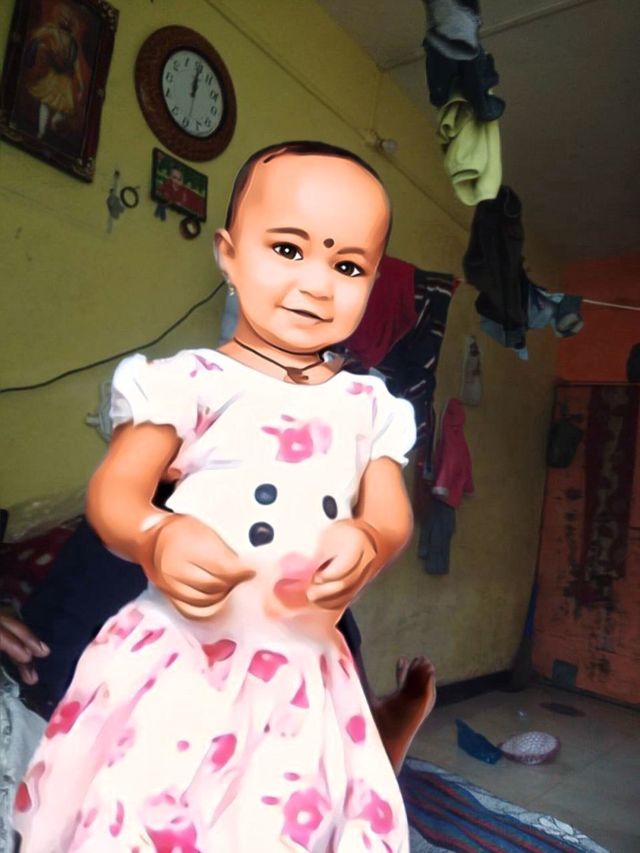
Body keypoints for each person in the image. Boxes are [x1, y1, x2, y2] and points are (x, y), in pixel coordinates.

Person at [14, 141, 431, 851]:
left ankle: (374, 740)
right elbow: (117, 489)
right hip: (181, 651)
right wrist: (154, 534)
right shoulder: (187, 382)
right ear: (229, 255)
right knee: (151, 811)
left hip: (300, 664)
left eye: (348, 266)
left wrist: (371, 538)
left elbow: (390, 511)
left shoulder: (370, 405)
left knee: (283, 818)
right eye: (289, 249)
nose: (317, 283)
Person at [24, 4, 85, 140]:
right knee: (47, 104)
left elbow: (76, 66)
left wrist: (81, 85)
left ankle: (48, 129)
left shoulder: (70, 41)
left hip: (63, 80)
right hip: (54, 77)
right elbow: (37, 37)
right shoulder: (53, 32)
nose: (65, 21)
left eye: (67, 19)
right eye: (64, 18)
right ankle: (41, 133)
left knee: (60, 109)